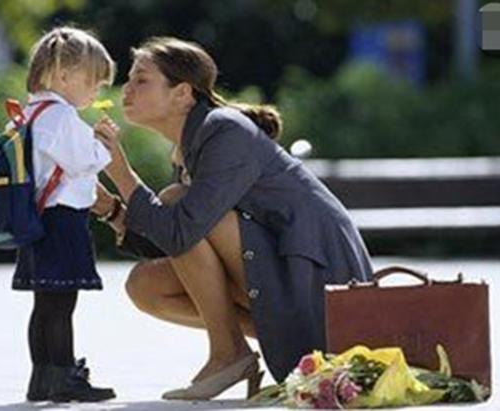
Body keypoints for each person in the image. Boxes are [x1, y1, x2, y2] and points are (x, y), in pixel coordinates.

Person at [92, 36, 373, 401]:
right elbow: (168, 241)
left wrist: (123, 174)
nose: (126, 89)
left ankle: (228, 353)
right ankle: (246, 347)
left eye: (141, 80)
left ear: (182, 94)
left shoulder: (223, 130)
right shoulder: (191, 146)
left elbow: (181, 231)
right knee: (146, 286)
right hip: (284, 275)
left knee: (177, 201)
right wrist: (109, 209)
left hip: (322, 283)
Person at [11, 26, 116, 403]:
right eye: (93, 83)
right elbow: (83, 161)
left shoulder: (31, 112)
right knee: (62, 303)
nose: (95, 93)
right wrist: (104, 145)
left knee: (45, 304)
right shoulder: (61, 116)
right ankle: (64, 376)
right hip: (62, 219)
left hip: (37, 218)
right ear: (64, 75)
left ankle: (43, 375)